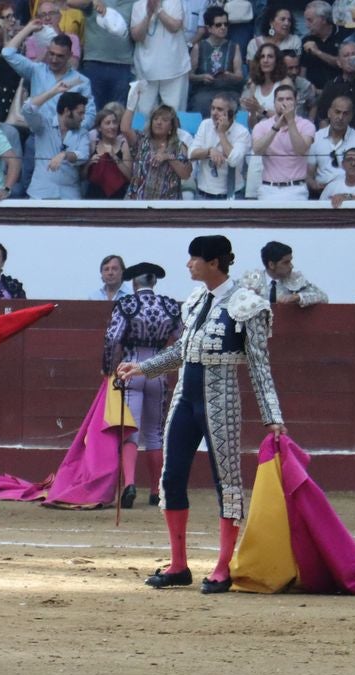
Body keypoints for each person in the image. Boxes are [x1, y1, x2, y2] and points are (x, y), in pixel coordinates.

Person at [116, 235, 285, 594]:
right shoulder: (195, 300)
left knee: (227, 481)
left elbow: (259, 364)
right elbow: (182, 350)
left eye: (194, 258)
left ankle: (223, 567)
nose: (188, 264)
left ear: (213, 263)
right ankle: (178, 565)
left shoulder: (248, 305)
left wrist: (272, 415)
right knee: (170, 478)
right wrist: (143, 368)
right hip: (184, 399)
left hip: (221, 400)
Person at [103, 261, 180, 507]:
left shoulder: (126, 304)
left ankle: (129, 484)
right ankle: (156, 490)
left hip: (130, 370)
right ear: (154, 282)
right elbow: (182, 341)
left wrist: (108, 369)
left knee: (130, 431)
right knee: (155, 432)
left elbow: (113, 338)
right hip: (158, 371)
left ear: (134, 283)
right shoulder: (170, 306)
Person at [23, 80, 89, 199]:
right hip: (41, 193)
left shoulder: (82, 133)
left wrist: (64, 155)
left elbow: (83, 155)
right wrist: (53, 91)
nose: (83, 117)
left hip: (70, 196)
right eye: (80, 113)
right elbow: (28, 109)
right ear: (67, 111)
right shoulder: (43, 125)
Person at [252, 83, 315, 200]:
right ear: (274, 103)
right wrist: (276, 127)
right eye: (280, 99)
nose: (284, 103)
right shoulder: (262, 126)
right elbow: (257, 150)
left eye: (289, 99)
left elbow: (301, 150)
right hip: (268, 188)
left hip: (296, 189)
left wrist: (290, 121)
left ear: (295, 102)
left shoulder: (306, 125)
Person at [70, 0, 136, 111]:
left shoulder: (134, 2)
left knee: (118, 112)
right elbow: (70, 2)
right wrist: (93, 2)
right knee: (92, 109)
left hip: (123, 65)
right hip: (94, 63)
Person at [121, 99, 192, 199]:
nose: (159, 122)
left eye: (164, 120)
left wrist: (168, 157)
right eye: (155, 119)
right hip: (137, 201)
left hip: (167, 204)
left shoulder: (179, 146)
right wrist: (131, 104)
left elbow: (186, 174)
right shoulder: (141, 140)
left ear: (171, 127)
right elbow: (125, 129)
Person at [128, 0, 190, 114]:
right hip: (145, 70)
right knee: (143, 113)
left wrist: (158, 10)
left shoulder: (175, 2)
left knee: (174, 113)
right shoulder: (138, 5)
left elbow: (175, 27)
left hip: (174, 68)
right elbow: (136, 36)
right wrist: (148, 14)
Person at [189, 92, 250, 198]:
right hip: (204, 194)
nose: (214, 113)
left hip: (232, 195)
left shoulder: (242, 132)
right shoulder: (205, 125)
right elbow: (191, 154)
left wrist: (221, 133)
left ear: (232, 114)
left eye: (219, 109)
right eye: (213, 108)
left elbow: (234, 161)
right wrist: (209, 151)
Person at [306, 94, 355, 195]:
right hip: (321, 192)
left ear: (351, 116)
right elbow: (309, 174)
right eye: (337, 112)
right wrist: (314, 185)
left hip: (350, 193)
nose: (340, 117)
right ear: (329, 113)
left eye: (345, 114)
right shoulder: (316, 138)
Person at [188, 7, 244, 115]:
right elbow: (189, 75)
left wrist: (230, 76)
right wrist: (202, 77)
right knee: (201, 102)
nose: (223, 27)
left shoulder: (234, 46)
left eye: (226, 24)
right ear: (209, 28)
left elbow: (240, 76)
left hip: (228, 90)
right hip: (204, 91)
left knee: (231, 103)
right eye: (218, 25)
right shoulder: (198, 47)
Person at [241, 240, 330, 306]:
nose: (291, 266)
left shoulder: (296, 279)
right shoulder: (251, 280)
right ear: (271, 265)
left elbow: (323, 297)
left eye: (290, 261)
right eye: (286, 262)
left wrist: (297, 297)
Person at [85, 105, 133, 199]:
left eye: (115, 122)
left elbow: (129, 177)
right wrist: (89, 163)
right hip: (94, 196)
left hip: (118, 197)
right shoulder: (93, 143)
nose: (112, 126)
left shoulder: (123, 144)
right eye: (108, 123)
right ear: (99, 128)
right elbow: (82, 176)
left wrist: (114, 157)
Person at [241, 42, 291, 129]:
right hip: (259, 133)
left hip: (281, 131)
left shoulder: (285, 82)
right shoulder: (254, 85)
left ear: (277, 61)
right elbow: (252, 126)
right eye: (262, 56)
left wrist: (261, 110)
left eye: (270, 56)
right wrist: (253, 112)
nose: (265, 60)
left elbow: (287, 118)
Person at [300, 0, 347, 90]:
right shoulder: (306, 40)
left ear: (324, 19)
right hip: (313, 92)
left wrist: (318, 52)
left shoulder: (343, 36)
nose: (307, 25)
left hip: (340, 90)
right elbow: (303, 72)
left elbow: (344, 63)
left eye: (310, 20)